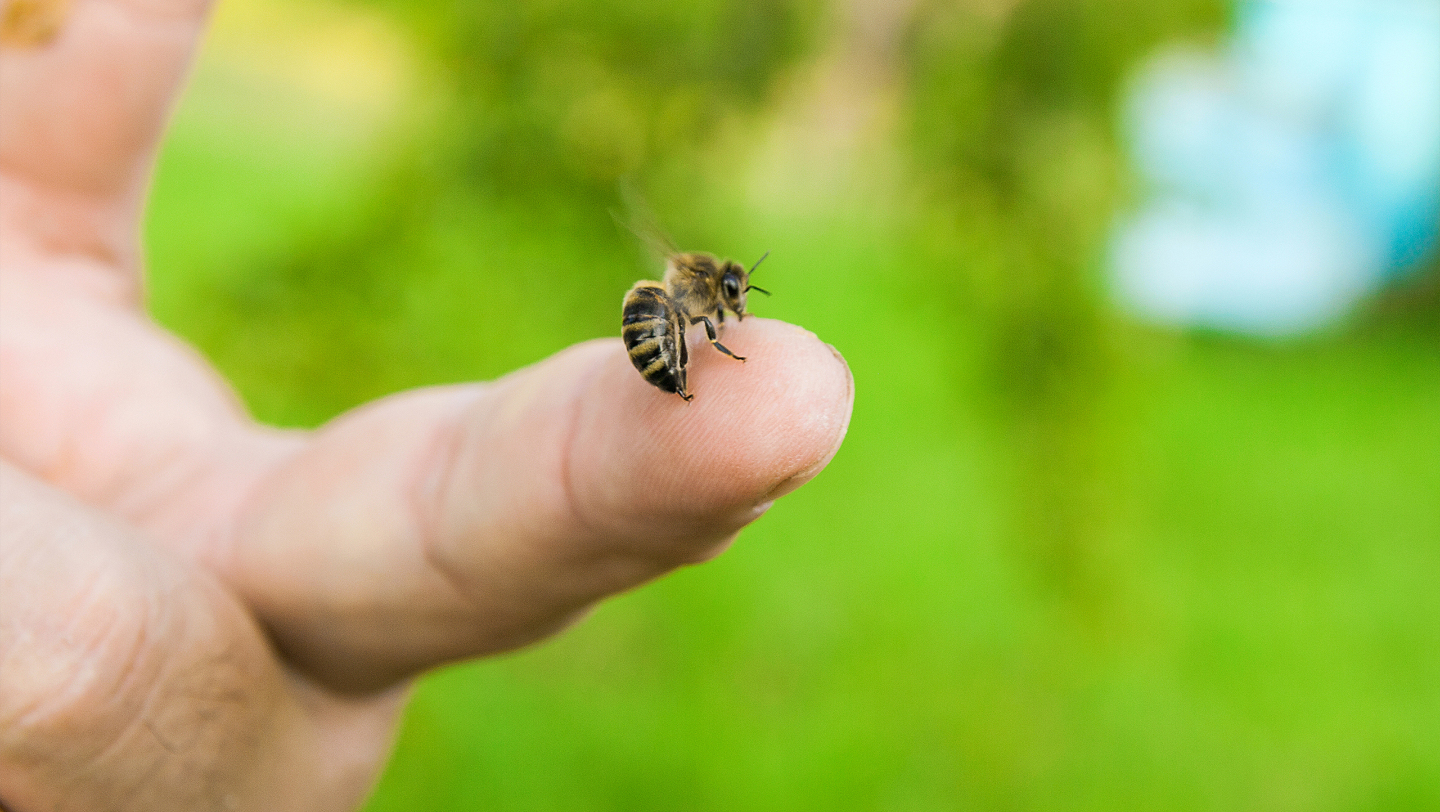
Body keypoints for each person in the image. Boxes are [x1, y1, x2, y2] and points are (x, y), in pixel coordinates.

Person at [0, 1, 853, 809]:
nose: (735, 303)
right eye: (733, 296)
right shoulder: (690, 295)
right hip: (655, 331)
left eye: (732, 299)